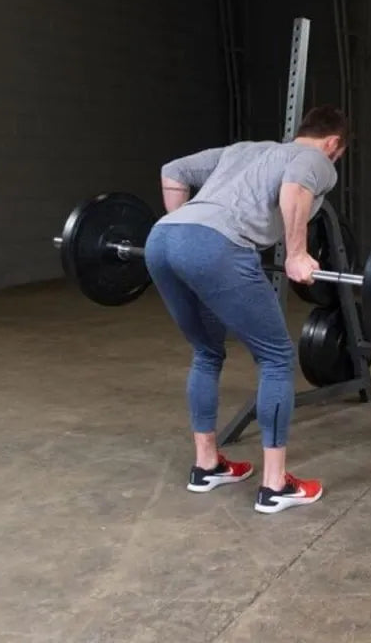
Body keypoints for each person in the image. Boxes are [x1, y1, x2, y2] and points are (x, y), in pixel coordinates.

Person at [144, 105, 347, 514]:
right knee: (276, 358)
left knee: (207, 351)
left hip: (162, 239)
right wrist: (296, 254)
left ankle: (207, 465)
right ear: (333, 143)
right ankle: (274, 487)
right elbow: (296, 186)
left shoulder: (242, 149)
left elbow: (173, 170)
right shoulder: (316, 159)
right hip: (217, 247)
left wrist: (188, 231)